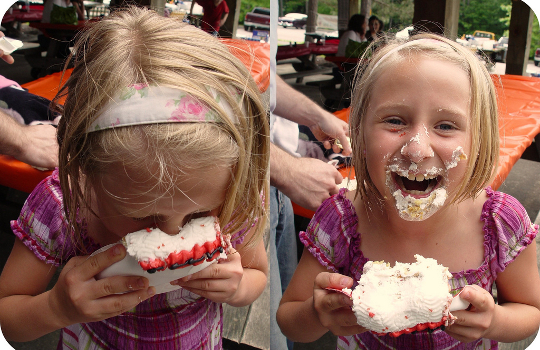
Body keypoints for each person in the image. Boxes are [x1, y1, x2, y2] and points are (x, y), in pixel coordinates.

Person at [0, 6, 269, 349]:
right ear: (86, 171)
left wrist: (238, 287)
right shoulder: (62, 206)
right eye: (144, 216)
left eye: (201, 213)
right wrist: (56, 308)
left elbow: (257, 274)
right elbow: (8, 317)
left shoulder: (236, 196)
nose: (172, 232)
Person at [277, 33, 540, 349]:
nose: (417, 150)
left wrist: (494, 321)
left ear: (479, 139)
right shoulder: (340, 221)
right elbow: (290, 320)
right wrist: (316, 313)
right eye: (395, 120)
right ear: (359, 132)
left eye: (445, 126)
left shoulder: (500, 222)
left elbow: (530, 310)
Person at [270, 75, 351, 350]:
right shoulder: (339, 219)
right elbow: (289, 316)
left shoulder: (490, 219)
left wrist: (316, 116)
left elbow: (255, 77)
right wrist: (283, 168)